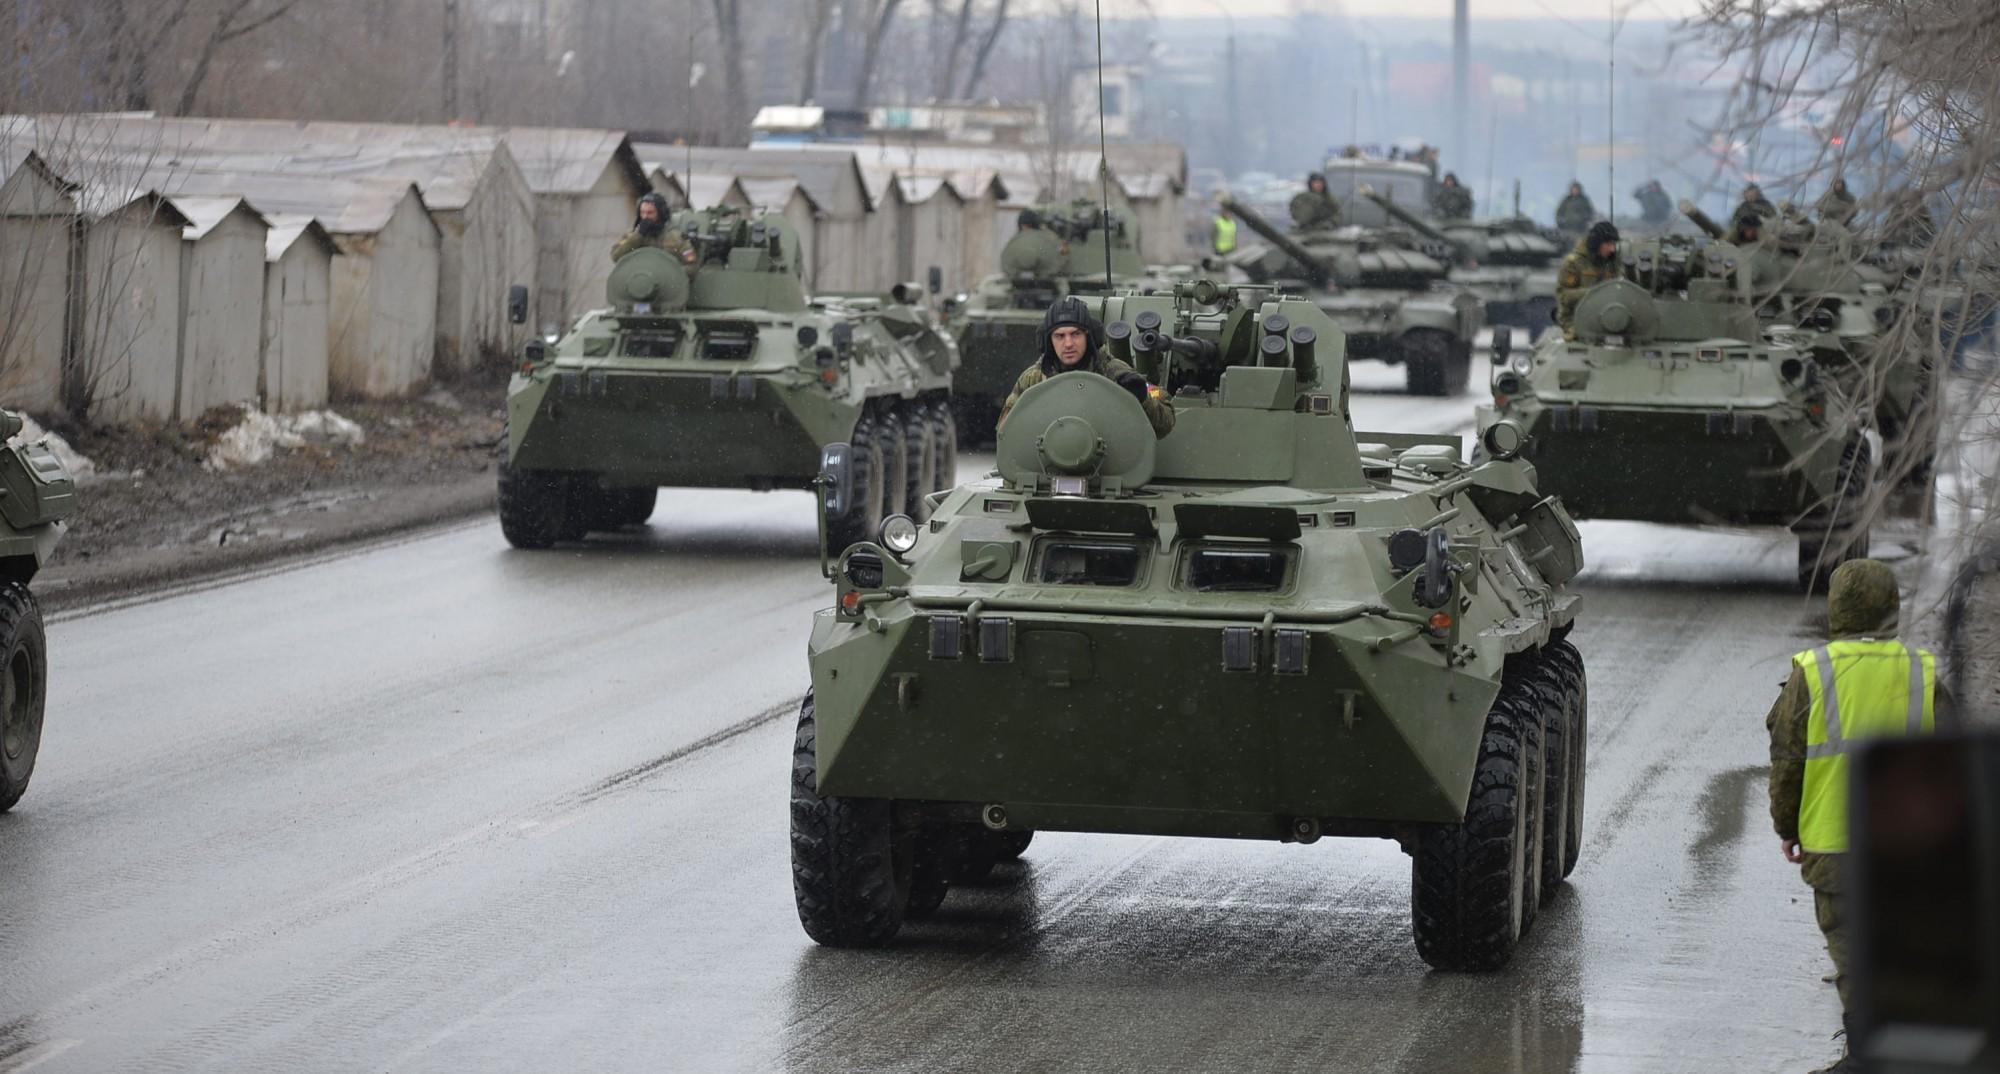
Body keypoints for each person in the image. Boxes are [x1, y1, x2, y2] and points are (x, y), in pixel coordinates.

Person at [1765, 559, 1954, 1073]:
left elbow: (1788, 760)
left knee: (1853, 957)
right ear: (1891, 609)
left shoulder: (1813, 672)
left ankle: (1868, 1057)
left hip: (1834, 845)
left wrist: (1788, 827)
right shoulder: (1921, 672)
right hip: (1908, 849)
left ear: (1836, 609)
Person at [997, 296, 1175, 438]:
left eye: (1076, 334)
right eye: (1059, 336)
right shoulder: (1033, 379)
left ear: (1089, 337)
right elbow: (1005, 432)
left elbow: (1166, 422)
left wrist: (1142, 397)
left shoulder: (1117, 373)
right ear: (1048, 341)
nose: (1068, 344)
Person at [1555, 221, 1621, 339]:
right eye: (1608, 244)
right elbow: (1563, 295)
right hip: (1575, 321)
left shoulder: (1612, 263)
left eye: (1614, 244)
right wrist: (1593, 294)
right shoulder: (1574, 263)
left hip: (1610, 319)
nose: (1612, 249)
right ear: (1596, 243)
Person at [610, 192, 686, 261]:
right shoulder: (632, 235)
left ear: (660, 214)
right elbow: (616, 257)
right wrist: (638, 235)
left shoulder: (673, 236)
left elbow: (691, 265)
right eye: (642, 212)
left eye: (650, 213)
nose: (645, 216)